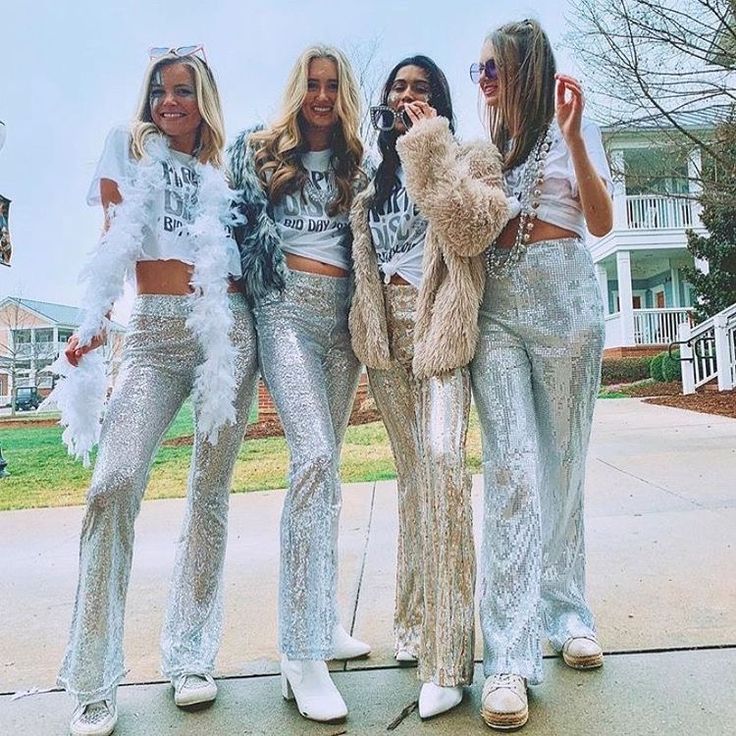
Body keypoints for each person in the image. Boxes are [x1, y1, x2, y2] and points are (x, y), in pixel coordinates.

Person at [54, 47, 259, 736]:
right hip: (151, 335)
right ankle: (92, 677)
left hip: (224, 332)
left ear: (205, 97)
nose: (170, 102)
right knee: (112, 484)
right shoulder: (127, 145)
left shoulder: (228, 163)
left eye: (184, 90)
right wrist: (93, 327)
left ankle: (193, 655)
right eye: (159, 90)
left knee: (209, 495)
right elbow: (111, 244)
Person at [349, 55, 509, 719]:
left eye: (419, 87)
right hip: (387, 340)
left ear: (440, 99)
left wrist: (429, 147)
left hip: (440, 329)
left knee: (445, 468)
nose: (405, 95)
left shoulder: (468, 154)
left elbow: (472, 231)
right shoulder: (372, 179)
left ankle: (450, 659)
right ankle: (415, 628)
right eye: (397, 88)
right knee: (414, 482)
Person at [468, 19, 614, 731]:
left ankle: (567, 611)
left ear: (527, 68)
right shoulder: (482, 146)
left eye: (494, 69)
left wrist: (578, 136)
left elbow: (602, 220)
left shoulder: (569, 128)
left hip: (567, 305)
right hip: (497, 314)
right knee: (513, 472)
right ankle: (509, 656)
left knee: (562, 469)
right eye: (480, 71)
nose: (485, 81)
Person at [228, 45, 370, 723]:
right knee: (311, 458)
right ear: (298, 90)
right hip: (284, 314)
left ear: (343, 94)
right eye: (311, 85)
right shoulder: (260, 151)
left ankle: (323, 619)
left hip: (341, 323)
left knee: (330, 471)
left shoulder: (356, 161)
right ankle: (298, 654)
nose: (320, 95)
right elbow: (230, 234)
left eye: (331, 85)